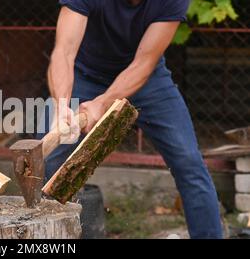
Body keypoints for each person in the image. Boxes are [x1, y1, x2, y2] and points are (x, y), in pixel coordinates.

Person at [42, 0, 223, 239]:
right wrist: (62, 104)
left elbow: (144, 62)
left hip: (147, 81)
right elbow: (63, 52)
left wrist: (102, 103)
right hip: (84, 76)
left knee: (188, 162)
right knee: (52, 164)